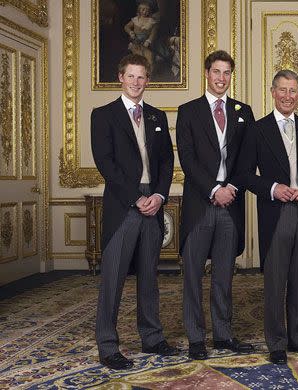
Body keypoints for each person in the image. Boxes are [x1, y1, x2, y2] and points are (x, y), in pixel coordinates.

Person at [234, 69, 298, 365]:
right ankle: (276, 342)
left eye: (293, 91)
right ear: (273, 92)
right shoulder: (257, 129)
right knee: (276, 280)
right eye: (282, 90)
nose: (288, 96)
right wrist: (274, 188)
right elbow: (244, 174)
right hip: (275, 213)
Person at [91, 53, 177, 370]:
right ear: (120, 78)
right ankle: (108, 345)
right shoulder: (103, 115)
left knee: (149, 278)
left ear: (147, 81)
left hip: (152, 202)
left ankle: (152, 338)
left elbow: (167, 161)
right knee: (112, 279)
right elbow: (106, 164)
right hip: (123, 205)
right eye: (131, 76)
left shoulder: (156, 117)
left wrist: (159, 194)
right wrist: (134, 198)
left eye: (142, 77)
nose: (136, 83)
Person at [176, 50, 255, 360]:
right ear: (206, 73)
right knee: (193, 275)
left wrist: (231, 187)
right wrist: (213, 189)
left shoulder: (242, 111)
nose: (222, 78)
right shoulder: (189, 111)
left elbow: (248, 158)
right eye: (217, 72)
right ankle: (196, 338)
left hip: (231, 204)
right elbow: (188, 158)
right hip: (201, 204)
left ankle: (223, 335)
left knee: (224, 275)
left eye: (227, 73)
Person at [124, 1, 158, 68]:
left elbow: (153, 33)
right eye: (143, 10)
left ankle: (149, 75)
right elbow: (126, 27)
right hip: (136, 43)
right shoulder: (135, 19)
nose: (145, 12)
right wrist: (131, 32)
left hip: (146, 44)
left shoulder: (151, 21)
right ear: (139, 10)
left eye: (147, 10)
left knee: (150, 58)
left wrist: (148, 41)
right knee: (137, 59)